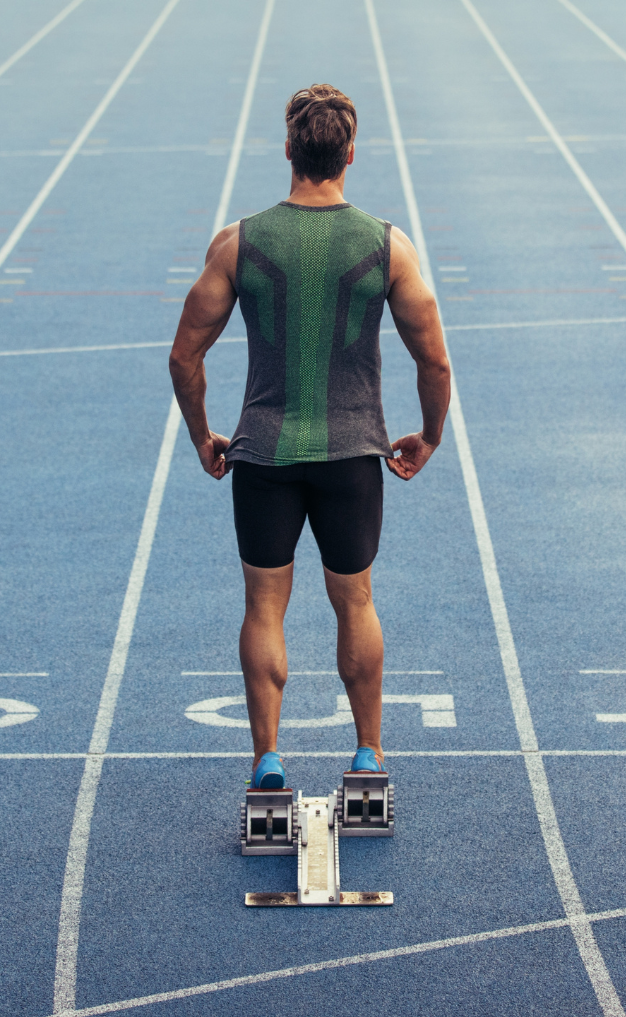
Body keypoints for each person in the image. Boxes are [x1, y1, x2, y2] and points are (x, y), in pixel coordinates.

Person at [168, 84, 452, 791]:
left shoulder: (239, 243)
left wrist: (204, 435)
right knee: (354, 600)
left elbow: (184, 357)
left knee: (265, 605)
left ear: (290, 149)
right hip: (354, 455)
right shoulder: (389, 246)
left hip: (262, 453)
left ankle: (267, 760)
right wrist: (430, 437)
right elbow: (435, 360)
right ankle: (367, 756)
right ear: (350, 153)